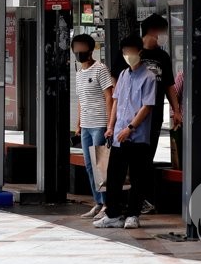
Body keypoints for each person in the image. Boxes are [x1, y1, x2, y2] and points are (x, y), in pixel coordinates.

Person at [110, 14, 182, 215]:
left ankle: (139, 202)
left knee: (143, 162)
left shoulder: (163, 57)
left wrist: (176, 110)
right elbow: (117, 90)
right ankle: (118, 207)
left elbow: (169, 85)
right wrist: (113, 123)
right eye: (163, 31)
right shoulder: (127, 55)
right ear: (154, 31)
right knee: (120, 166)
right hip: (126, 119)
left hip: (151, 118)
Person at [94, 36, 156, 230]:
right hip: (119, 135)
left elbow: (147, 107)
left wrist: (130, 128)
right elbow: (116, 103)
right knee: (114, 176)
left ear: (140, 52)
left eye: (132, 51)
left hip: (137, 136)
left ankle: (133, 215)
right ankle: (113, 214)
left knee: (138, 177)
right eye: (125, 51)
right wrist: (111, 127)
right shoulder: (123, 75)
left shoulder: (149, 77)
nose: (128, 55)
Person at [72, 34, 114, 219]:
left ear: (90, 50)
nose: (78, 51)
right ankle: (97, 202)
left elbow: (109, 96)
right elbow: (81, 99)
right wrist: (78, 123)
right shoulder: (79, 73)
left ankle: (106, 203)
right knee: (89, 166)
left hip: (99, 124)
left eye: (82, 47)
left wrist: (109, 124)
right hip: (86, 125)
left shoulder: (100, 69)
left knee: (100, 165)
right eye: (76, 48)